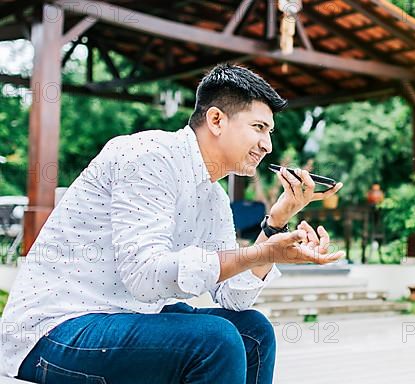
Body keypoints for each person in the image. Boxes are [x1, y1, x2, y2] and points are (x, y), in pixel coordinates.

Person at [0, 64, 344, 383]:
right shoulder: (148, 155)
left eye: (269, 132)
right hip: (52, 330)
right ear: (216, 119)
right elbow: (145, 276)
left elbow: (232, 298)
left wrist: (277, 223)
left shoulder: (214, 198)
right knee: (215, 340)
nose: (267, 145)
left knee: (253, 331)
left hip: (125, 317)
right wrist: (257, 254)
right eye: (259, 128)